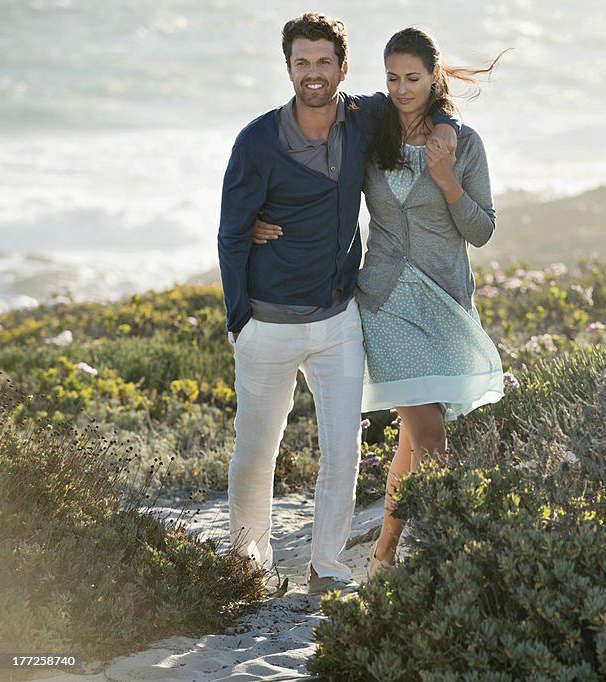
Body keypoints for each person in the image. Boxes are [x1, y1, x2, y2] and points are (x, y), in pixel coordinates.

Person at [217, 12, 460, 598]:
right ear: (289, 68)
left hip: (336, 319)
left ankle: (326, 563)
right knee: (256, 452)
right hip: (268, 324)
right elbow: (230, 232)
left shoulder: (363, 117)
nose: (313, 73)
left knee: (343, 450)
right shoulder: (257, 141)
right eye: (302, 62)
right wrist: (239, 320)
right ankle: (249, 562)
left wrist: (447, 124)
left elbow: (415, 99)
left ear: (342, 68)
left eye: (324, 61)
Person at [252, 27, 505, 579]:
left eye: (412, 78)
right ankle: (449, 553)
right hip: (386, 299)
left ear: (434, 77)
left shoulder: (463, 144)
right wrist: (257, 221)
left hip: (446, 301)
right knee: (430, 432)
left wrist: (447, 180)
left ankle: (385, 554)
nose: (401, 89)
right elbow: (321, 186)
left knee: (416, 440)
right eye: (392, 77)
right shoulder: (372, 130)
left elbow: (482, 230)